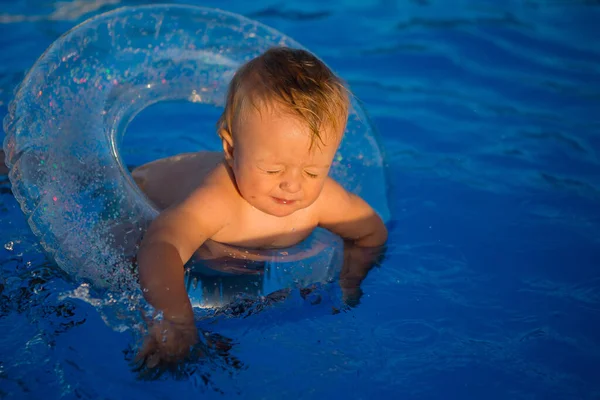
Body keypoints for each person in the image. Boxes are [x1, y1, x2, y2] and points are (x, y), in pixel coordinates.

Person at [130, 46, 388, 367]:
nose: (293, 185)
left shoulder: (322, 200)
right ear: (230, 148)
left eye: (312, 171)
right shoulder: (219, 201)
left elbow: (371, 231)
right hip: (141, 192)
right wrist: (176, 321)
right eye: (272, 170)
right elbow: (161, 245)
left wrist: (351, 278)